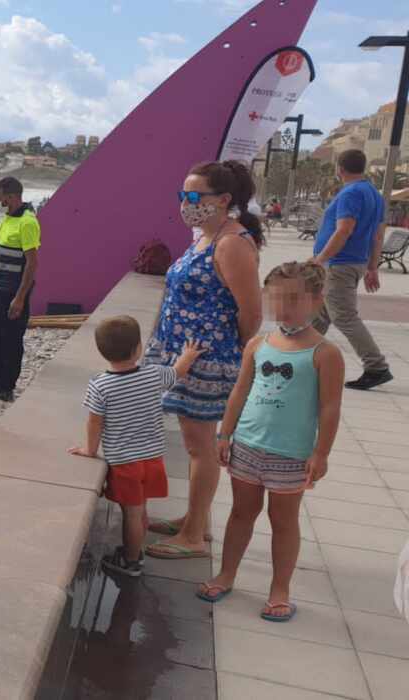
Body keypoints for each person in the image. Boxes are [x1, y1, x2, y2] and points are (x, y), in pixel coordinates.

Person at [197, 262, 344, 622]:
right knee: (240, 514)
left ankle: (280, 589)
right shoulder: (258, 344)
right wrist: (225, 433)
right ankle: (227, 573)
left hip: (290, 455)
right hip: (247, 445)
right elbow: (240, 391)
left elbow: (329, 408)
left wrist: (320, 453)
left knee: (284, 522)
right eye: (277, 300)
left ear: (316, 301)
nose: (284, 308)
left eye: (294, 299)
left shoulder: (325, 353)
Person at [143, 160, 264, 560]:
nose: (186, 203)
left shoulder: (231, 243)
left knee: (201, 449)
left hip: (208, 361)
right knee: (197, 445)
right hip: (184, 355)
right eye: (183, 195)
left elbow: (251, 311)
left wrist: (233, 354)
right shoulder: (207, 236)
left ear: (223, 200)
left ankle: (193, 536)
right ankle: (195, 519)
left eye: (195, 196)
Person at [70, 317, 205, 577]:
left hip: (125, 463)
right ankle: (135, 550)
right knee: (140, 509)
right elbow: (178, 371)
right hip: (153, 459)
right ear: (138, 349)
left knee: (131, 514)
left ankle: (131, 561)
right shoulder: (153, 374)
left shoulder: (101, 385)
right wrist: (188, 354)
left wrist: (90, 449)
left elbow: (94, 422)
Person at [311, 149, 393, 390]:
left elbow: (344, 229)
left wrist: (322, 258)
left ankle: (376, 366)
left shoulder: (350, 193)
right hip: (352, 262)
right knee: (319, 314)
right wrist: (372, 268)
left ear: (340, 169)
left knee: (343, 316)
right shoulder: (374, 195)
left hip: (339, 264)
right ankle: (302, 356)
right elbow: (378, 236)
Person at [0, 176, 40, 403]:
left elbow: (32, 263)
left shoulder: (28, 222)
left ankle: (6, 387)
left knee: (10, 339)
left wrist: (20, 298)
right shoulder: (8, 218)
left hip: (14, 290)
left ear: (12, 197)